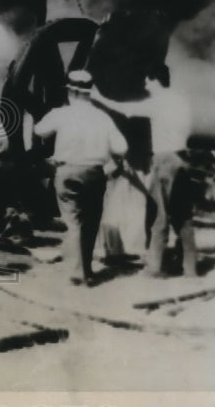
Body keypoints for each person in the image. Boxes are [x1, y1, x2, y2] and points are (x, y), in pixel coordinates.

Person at [92, 76, 199, 276]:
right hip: (183, 159)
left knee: (159, 214)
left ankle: (155, 268)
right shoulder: (182, 101)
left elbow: (125, 109)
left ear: (156, 80)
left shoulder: (157, 102)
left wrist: (98, 97)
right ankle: (191, 268)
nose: (145, 86)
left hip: (164, 159)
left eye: (147, 82)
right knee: (184, 216)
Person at [33, 69, 129, 286]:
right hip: (95, 174)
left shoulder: (61, 113)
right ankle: (85, 269)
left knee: (74, 222)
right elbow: (122, 147)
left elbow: (39, 130)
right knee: (90, 223)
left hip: (67, 172)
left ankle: (79, 274)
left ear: (70, 92)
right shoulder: (103, 117)